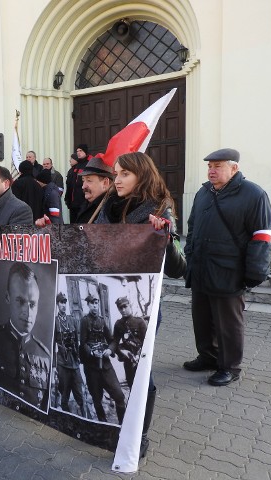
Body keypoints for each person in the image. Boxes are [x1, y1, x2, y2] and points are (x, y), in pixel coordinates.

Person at [93, 151, 186, 457]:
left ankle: (138, 434)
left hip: (144, 308)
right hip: (110, 285)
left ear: (141, 176)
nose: (116, 180)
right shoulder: (107, 205)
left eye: (124, 174)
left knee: (140, 372)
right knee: (119, 368)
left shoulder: (160, 209)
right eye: (116, 174)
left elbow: (178, 268)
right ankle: (112, 423)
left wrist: (164, 236)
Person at [183, 148, 271, 387]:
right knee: (201, 318)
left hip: (229, 271)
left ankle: (229, 367)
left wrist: (254, 272)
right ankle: (208, 357)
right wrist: (189, 256)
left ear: (234, 168)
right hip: (202, 267)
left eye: (218, 166)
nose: (212, 171)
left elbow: (261, 236)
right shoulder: (204, 193)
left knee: (228, 323)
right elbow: (192, 227)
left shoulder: (253, 194)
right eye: (209, 166)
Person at [0, 262, 50, 410]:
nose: (28, 312)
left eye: (32, 304)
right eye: (21, 301)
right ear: (7, 297)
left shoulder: (45, 357)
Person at [79, 285, 126, 424]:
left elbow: (112, 340)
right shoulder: (84, 321)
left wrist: (110, 350)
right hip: (92, 366)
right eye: (92, 303)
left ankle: (122, 424)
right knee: (96, 398)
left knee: (119, 395)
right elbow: (83, 343)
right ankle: (102, 422)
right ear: (88, 305)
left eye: (96, 303)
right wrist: (92, 352)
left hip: (105, 365)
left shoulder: (102, 320)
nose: (95, 306)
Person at [53, 292, 85, 416]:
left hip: (74, 362)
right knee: (64, 395)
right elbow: (53, 344)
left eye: (65, 302)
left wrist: (79, 359)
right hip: (62, 363)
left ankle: (83, 418)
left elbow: (78, 341)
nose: (63, 305)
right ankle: (67, 418)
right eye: (61, 302)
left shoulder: (72, 320)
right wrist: (55, 366)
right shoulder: (55, 322)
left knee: (80, 394)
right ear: (57, 304)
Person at [108, 297, 147, 390]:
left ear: (130, 305)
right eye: (120, 308)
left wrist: (141, 355)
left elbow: (146, 341)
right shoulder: (118, 324)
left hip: (140, 359)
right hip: (128, 360)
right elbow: (115, 341)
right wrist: (112, 350)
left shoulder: (140, 322)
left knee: (143, 385)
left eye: (125, 306)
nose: (123, 310)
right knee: (131, 384)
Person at [65, 144, 90, 220]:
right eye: (77, 151)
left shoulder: (89, 164)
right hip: (73, 204)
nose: (78, 152)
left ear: (85, 152)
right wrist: (67, 198)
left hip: (83, 203)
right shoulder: (76, 166)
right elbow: (70, 184)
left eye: (81, 151)